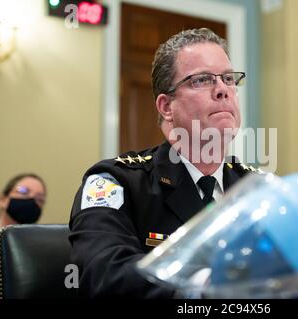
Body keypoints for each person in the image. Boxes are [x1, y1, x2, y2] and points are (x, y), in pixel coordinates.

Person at [69, 28, 258, 298]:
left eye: (228, 78)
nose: (223, 90)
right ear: (166, 107)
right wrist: (206, 288)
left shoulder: (256, 189)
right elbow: (104, 275)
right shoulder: (116, 182)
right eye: (202, 80)